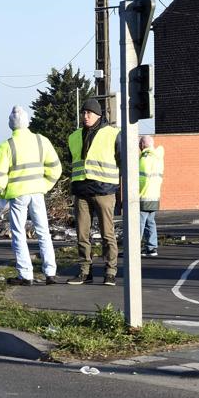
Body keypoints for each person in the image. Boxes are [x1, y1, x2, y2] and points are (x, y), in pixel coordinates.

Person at [0, 106, 61, 286]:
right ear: (28, 122)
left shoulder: (5, 147)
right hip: (38, 192)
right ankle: (50, 272)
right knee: (43, 231)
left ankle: (25, 275)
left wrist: (3, 192)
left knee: (18, 233)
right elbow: (55, 168)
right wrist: (44, 185)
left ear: (10, 125)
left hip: (17, 195)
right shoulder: (41, 141)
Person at [66, 98, 120, 286]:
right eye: (83, 112)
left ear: (98, 115)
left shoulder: (113, 134)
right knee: (82, 234)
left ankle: (110, 271)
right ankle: (84, 271)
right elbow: (72, 163)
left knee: (107, 234)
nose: (85, 116)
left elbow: (122, 161)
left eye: (89, 113)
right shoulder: (74, 136)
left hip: (104, 190)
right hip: (81, 190)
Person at [139, 135, 164, 257]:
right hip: (155, 196)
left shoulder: (145, 158)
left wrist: (135, 194)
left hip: (144, 195)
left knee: (139, 223)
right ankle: (151, 247)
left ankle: (133, 248)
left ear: (143, 145)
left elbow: (141, 180)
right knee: (150, 222)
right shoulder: (158, 157)